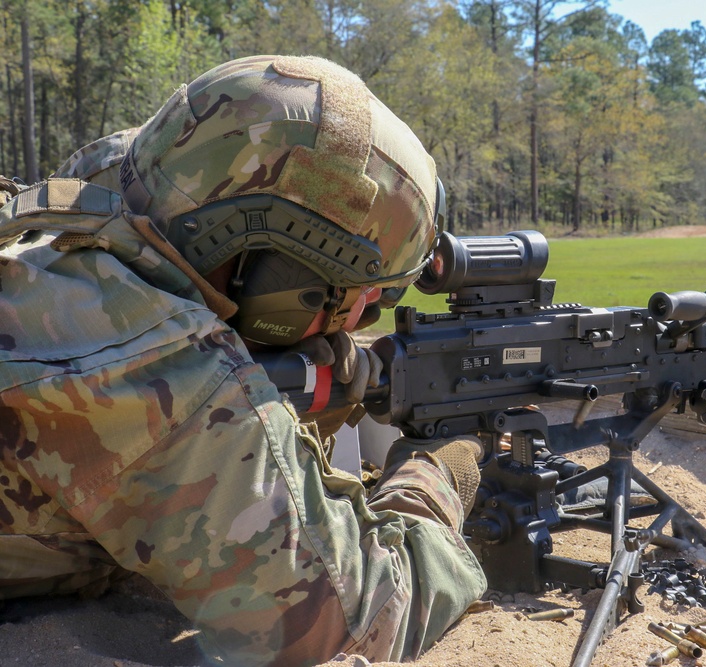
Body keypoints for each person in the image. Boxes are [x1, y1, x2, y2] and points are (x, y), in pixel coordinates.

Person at [0, 54, 487, 665]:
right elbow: (359, 618)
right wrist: (437, 473)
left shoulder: (76, 229)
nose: (363, 320)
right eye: (358, 296)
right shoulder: (153, 357)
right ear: (278, 276)